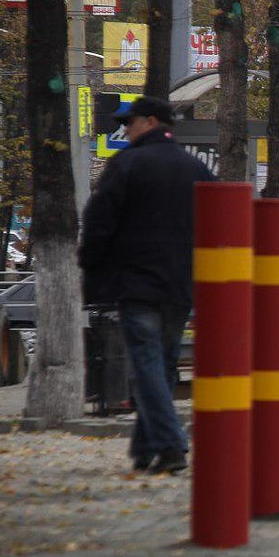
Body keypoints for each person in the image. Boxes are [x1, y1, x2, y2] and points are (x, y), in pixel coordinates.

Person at [78, 96, 216, 474]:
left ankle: (171, 445)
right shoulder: (196, 169)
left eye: (131, 122)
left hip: (137, 284)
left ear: (151, 121)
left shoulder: (126, 165)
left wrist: (91, 269)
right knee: (161, 365)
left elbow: (98, 224)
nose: (125, 129)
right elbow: (218, 224)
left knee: (147, 365)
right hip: (180, 285)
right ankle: (144, 449)